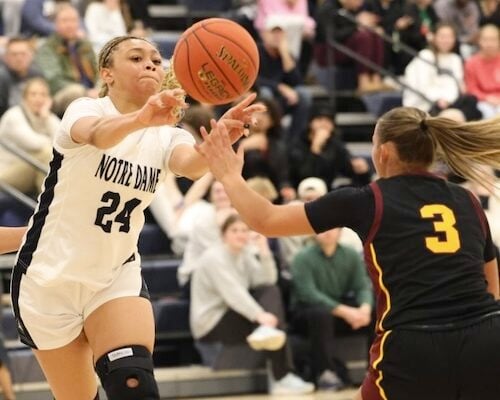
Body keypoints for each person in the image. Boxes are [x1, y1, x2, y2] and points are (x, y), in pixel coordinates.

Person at [10, 34, 261, 400]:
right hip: (48, 279)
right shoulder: (86, 109)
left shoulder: (167, 135)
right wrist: (140, 119)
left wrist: (222, 138)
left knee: (132, 383)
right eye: (136, 57)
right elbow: (97, 135)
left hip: (114, 274)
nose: (150, 64)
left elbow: (192, 165)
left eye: (157, 60)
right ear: (107, 73)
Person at [197, 106, 500, 400]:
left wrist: (229, 176)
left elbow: (266, 220)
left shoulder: (366, 201)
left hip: (415, 345)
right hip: (486, 340)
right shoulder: (468, 200)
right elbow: (492, 289)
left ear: (384, 152)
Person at [190, 213, 315, 395]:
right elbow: (233, 294)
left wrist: (264, 250)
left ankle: (277, 364)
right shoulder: (213, 258)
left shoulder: (244, 253)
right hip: (211, 323)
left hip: (232, 314)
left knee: (271, 292)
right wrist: (260, 316)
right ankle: (282, 377)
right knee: (272, 322)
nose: (240, 234)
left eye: (244, 230)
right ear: (223, 235)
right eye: (234, 230)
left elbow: (267, 281)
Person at [290, 227, 373, 390]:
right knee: (321, 314)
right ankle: (325, 373)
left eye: (332, 228)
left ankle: (373, 370)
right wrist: (346, 312)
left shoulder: (350, 255)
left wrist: (365, 308)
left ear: (340, 231)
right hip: (305, 313)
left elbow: (362, 286)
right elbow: (308, 294)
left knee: (377, 312)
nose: (328, 232)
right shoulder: (302, 257)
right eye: (323, 228)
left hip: (339, 310)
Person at [0, 77, 60, 196]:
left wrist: (47, 117)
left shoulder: (45, 116)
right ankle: (47, 202)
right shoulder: (13, 116)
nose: (39, 99)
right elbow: (34, 143)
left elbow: (63, 139)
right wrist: (51, 140)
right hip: (5, 173)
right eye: (33, 94)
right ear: (24, 98)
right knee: (46, 153)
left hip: (29, 170)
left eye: (43, 95)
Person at [0, 36, 44, 116]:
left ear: (31, 55)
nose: (19, 58)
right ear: (5, 57)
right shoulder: (2, 77)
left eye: (23, 54)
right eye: (14, 54)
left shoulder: (36, 74)